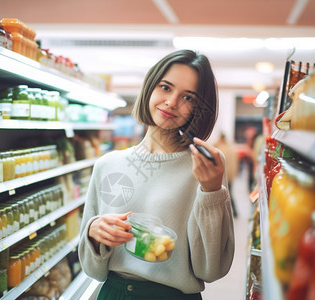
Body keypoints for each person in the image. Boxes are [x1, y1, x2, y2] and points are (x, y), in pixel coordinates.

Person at [78, 49, 235, 300]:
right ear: (150, 88)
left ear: (198, 108)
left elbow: (212, 269)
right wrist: (94, 233)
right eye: (165, 87)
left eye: (189, 98)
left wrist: (212, 191)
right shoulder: (107, 164)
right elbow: (92, 269)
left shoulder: (203, 167)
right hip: (113, 294)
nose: (172, 102)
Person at [214, 133, 239, 217]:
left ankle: (231, 212)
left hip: (223, 175)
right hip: (231, 175)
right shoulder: (231, 148)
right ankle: (234, 211)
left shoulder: (220, 149)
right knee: (230, 192)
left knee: (225, 194)